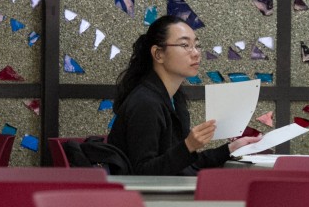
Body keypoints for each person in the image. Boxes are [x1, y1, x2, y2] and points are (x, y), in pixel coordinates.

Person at [108, 15, 260, 175]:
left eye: (197, 45)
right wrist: (188, 146)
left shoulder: (175, 99)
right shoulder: (145, 103)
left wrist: (230, 149)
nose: (196, 53)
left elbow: (185, 163)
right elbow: (143, 172)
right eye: (185, 45)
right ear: (158, 54)